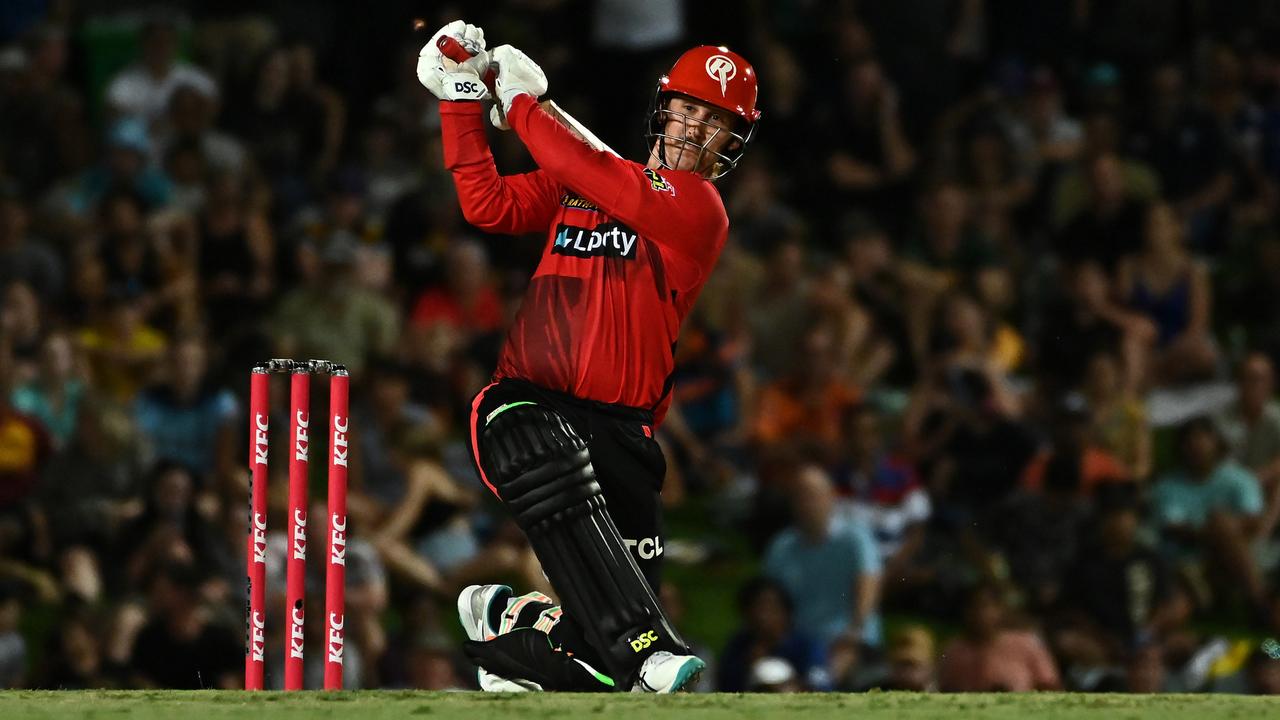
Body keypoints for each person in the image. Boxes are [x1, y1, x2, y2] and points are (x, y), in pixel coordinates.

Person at [416, 21, 759, 693]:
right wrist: (461, 100)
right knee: (634, 648)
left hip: (625, 435)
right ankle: (651, 641)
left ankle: (511, 631)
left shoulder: (700, 211)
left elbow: (595, 172)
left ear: (729, 145)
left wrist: (521, 105)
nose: (693, 128)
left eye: (712, 122)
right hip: (526, 400)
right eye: (687, 109)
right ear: (664, 110)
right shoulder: (585, 182)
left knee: (600, 670)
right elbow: (486, 206)